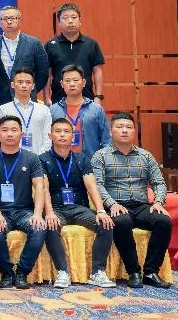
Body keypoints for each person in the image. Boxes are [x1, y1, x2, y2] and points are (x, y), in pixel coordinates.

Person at [92, 112, 172, 288]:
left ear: (134, 131)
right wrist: (111, 203)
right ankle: (133, 272)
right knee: (121, 222)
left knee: (163, 221)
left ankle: (151, 272)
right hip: (116, 205)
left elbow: (159, 182)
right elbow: (97, 185)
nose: (124, 130)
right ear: (111, 131)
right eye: (119, 127)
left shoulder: (146, 156)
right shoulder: (100, 156)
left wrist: (158, 202)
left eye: (129, 127)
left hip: (141, 205)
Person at [41, 118, 117, 289]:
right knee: (50, 225)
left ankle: (97, 272)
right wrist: (49, 212)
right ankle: (62, 272)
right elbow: (42, 188)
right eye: (58, 131)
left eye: (66, 131)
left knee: (106, 224)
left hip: (79, 208)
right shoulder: (42, 160)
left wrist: (100, 210)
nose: (62, 135)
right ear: (50, 136)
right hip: (56, 208)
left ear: (73, 136)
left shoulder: (82, 159)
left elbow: (91, 186)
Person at [0, 116, 48, 289]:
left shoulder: (32, 158)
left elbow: (39, 187)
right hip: (0, 211)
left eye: (14, 130)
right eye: (5, 130)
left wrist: (37, 214)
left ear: (22, 134)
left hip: (24, 211)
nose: (9, 134)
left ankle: (22, 272)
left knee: (39, 228)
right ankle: (6, 272)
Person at [45, 3, 105, 104]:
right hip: (58, 100)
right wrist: (46, 97)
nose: (70, 21)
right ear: (59, 22)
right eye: (65, 18)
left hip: (87, 99)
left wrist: (98, 96)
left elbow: (97, 71)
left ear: (80, 21)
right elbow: (48, 74)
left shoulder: (91, 44)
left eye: (74, 17)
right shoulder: (50, 45)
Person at [0, 6, 49, 106]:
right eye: (5, 19)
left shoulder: (34, 43)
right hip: (0, 100)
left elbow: (43, 72)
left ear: (19, 20)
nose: (9, 21)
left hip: (27, 98)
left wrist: (30, 88)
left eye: (12, 18)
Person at [50, 65, 110, 155]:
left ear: (84, 82)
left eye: (75, 80)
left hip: (90, 161)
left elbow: (106, 141)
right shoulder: (53, 110)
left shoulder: (96, 110)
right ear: (62, 84)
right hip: (60, 162)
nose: (72, 84)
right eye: (67, 81)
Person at [0, 68, 53, 154]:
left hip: (39, 158)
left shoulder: (43, 110)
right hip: (12, 158)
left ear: (33, 86)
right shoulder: (3, 110)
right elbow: (2, 138)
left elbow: (48, 138)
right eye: (20, 82)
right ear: (12, 85)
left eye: (28, 82)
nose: (24, 85)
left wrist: (39, 158)